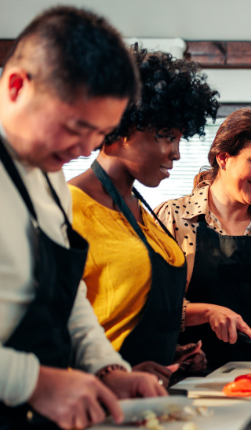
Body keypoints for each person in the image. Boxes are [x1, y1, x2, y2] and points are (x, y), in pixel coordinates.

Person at [0, 6, 166, 429]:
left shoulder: (50, 172)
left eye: (100, 133)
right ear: (17, 85)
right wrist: (34, 383)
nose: (84, 148)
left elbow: (66, 298)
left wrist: (108, 370)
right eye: (75, 126)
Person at [68, 48, 220, 385]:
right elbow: (54, 325)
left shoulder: (143, 211)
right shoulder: (68, 208)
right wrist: (114, 374)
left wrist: (169, 355)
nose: (177, 153)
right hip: (96, 400)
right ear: (121, 127)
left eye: (180, 138)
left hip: (146, 399)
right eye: (166, 136)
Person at [156, 108, 251, 372]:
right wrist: (207, 311)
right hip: (190, 377)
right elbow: (155, 305)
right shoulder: (174, 218)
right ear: (224, 158)